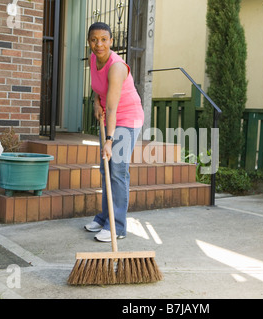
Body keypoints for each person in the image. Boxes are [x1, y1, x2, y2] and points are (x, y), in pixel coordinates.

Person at [84, 22, 144, 242]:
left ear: (111, 41)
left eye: (104, 39)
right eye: (94, 39)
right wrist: (94, 104)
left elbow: (112, 107)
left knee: (117, 171)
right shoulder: (93, 59)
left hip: (127, 118)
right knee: (105, 170)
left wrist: (109, 140)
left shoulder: (116, 66)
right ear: (89, 41)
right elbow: (97, 92)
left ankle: (116, 226)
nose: (99, 44)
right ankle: (104, 217)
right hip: (110, 117)